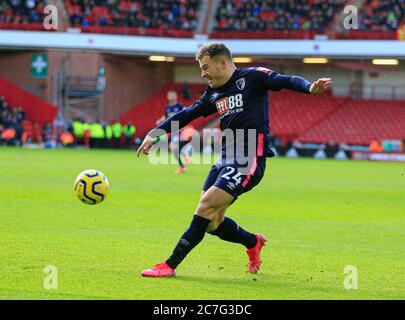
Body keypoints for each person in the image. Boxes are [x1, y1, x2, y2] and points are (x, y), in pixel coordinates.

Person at [137, 42, 331, 278]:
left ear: (222, 63)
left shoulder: (253, 77)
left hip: (249, 159)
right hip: (225, 159)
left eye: (206, 67)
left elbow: (285, 80)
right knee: (211, 223)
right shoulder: (213, 93)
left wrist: (310, 87)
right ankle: (252, 241)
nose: (203, 73)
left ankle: (169, 265)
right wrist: (154, 133)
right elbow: (187, 113)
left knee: (205, 206)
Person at [156, 90, 190, 174]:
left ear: (175, 96)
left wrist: (184, 124)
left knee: (172, 147)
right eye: (169, 95)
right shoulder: (167, 107)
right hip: (173, 130)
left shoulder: (179, 106)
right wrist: (159, 120)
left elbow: (188, 112)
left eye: (172, 95)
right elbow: (165, 116)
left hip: (179, 128)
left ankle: (182, 167)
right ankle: (185, 157)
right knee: (174, 148)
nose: (171, 97)